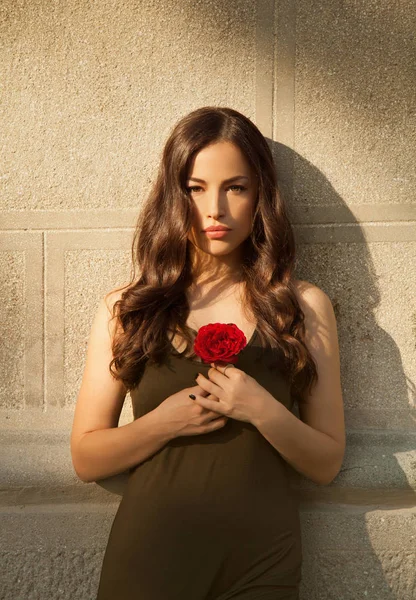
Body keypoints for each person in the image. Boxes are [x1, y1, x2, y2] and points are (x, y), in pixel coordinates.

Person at [70, 106, 346, 600]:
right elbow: (86, 457)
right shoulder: (126, 308)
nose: (215, 209)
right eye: (196, 189)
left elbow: (326, 463)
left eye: (235, 187)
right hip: (150, 560)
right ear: (174, 197)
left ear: (261, 193)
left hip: (262, 564)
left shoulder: (302, 307)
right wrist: (163, 423)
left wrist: (261, 409)